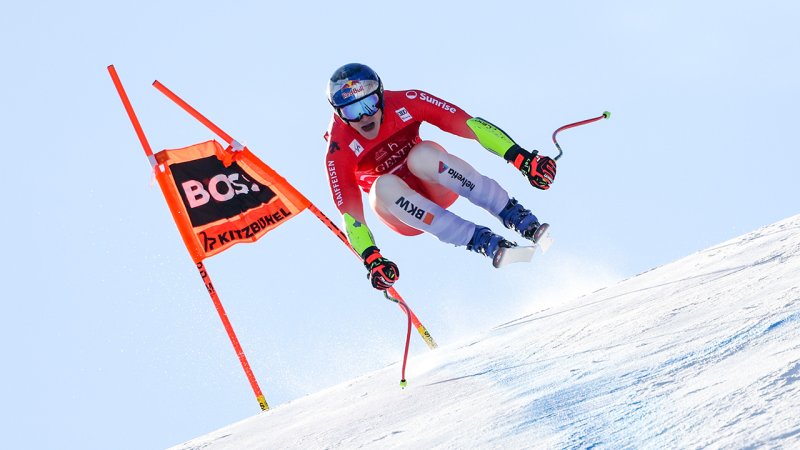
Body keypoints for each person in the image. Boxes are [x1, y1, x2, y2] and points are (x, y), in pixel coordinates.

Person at [324, 63, 556, 291]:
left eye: (369, 104)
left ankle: (515, 215)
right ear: (339, 114)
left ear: (381, 95)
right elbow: (350, 215)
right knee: (382, 186)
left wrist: (522, 158)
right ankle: (485, 242)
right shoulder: (339, 148)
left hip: (435, 183)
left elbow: (469, 125)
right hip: (400, 209)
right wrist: (372, 258)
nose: (364, 116)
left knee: (422, 155)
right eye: (352, 111)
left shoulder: (407, 101)